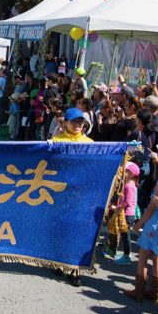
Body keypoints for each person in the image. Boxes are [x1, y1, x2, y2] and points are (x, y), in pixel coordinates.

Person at [51, 107, 93, 287]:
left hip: (81, 194)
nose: (77, 124)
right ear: (65, 123)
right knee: (60, 228)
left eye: (80, 122)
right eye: (74, 121)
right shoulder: (56, 141)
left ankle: (75, 269)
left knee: (78, 230)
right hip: (60, 192)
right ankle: (57, 262)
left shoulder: (90, 143)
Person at [126, 179, 158, 302]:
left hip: (153, 225)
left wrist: (138, 224)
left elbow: (152, 207)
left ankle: (139, 291)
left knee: (143, 255)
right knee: (157, 256)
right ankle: (155, 292)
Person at [110, 162, 140, 266]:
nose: (123, 172)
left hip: (127, 214)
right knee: (124, 235)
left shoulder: (129, 186)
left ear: (131, 174)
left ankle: (127, 256)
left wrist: (115, 207)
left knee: (126, 236)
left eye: (125, 171)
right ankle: (126, 254)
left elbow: (127, 203)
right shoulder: (128, 185)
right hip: (125, 213)